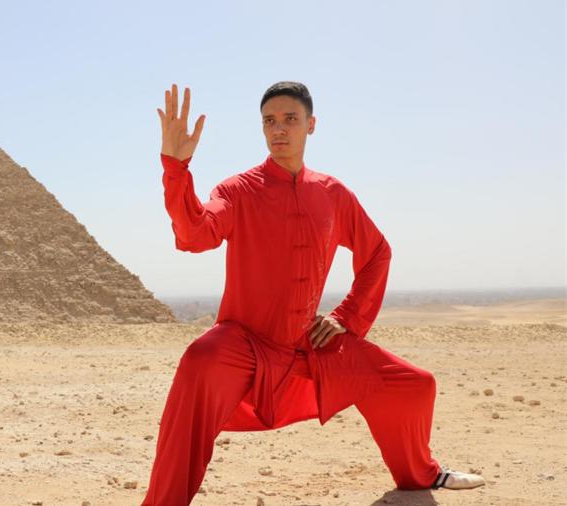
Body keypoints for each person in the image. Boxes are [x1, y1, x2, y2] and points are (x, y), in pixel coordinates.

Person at [141, 82, 485, 505]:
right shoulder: (238, 190)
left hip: (308, 344)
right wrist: (176, 169)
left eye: (290, 119)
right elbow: (194, 234)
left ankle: (419, 474)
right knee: (200, 360)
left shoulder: (332, 193)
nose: (278, 130)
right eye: (269, 121)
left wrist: (347, 318)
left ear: (311, 125)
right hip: (244, 344)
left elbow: (377, 252)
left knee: (413, 385)